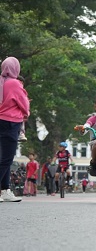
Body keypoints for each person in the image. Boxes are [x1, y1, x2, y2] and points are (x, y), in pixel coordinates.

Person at [0, 57, 30, 202]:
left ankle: (5, 190)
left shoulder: (1, 81)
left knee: (2, 157)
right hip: (10, 122)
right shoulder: (14, 83)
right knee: (7, 158)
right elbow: (23, 103)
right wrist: (27, 113)